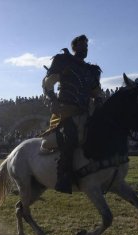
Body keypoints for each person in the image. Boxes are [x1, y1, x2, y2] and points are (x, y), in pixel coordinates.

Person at [42, 35, 103, 194]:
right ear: (75, 48)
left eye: (87, 46)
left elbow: (97, 92)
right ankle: (64, 177)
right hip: (66, 112)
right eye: (82, 46)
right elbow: (48, 83)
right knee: (70, 138)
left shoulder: (91, 71)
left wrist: (99, 101)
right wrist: (53, 99)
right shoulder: (64, 62)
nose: (85, 49)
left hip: (85, 112)